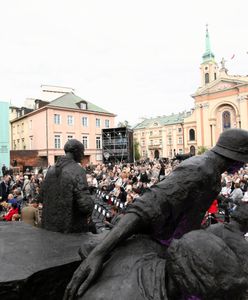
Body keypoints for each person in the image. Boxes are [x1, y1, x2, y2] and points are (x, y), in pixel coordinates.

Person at [64, 129, 248, 300]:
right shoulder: (201, 169)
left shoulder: (211, 173)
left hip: (168, 249)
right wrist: (99, 253)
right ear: (237, 158)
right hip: (152, 250)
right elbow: (145, 208)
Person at [40, 139, 94, 233]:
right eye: (82, 152)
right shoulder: (77, 170)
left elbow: (41, 196)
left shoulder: (51, 170)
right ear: (76, 152)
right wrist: (91, 204)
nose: (83, 155)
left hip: (49, 228)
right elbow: (85, 205)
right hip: (70, 229)